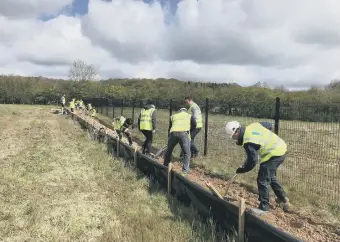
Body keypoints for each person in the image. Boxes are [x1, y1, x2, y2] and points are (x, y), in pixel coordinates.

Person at [225, 121, 290, 214]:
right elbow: (268, 125)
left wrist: (242, 169)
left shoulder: (248, 142)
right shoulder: (253, 126)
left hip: (274, 154)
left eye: (233, 137)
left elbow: (253, 161)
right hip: (281, 148)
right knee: (270, 176)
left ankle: (264, 208)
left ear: (237, 132)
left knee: (262, 179)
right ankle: (282, 197)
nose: (234, 139)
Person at [163, 107, 192, 174]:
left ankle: (165, 166)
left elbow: (170, 127)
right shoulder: (189, 115)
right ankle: (185, 171)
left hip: (173, 133)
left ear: (179, 111)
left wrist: (169, 137)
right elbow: (194, 125)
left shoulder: (173, 116)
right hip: (183, 134)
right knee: (187, 153)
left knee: (169, 150)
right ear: (186, 111)